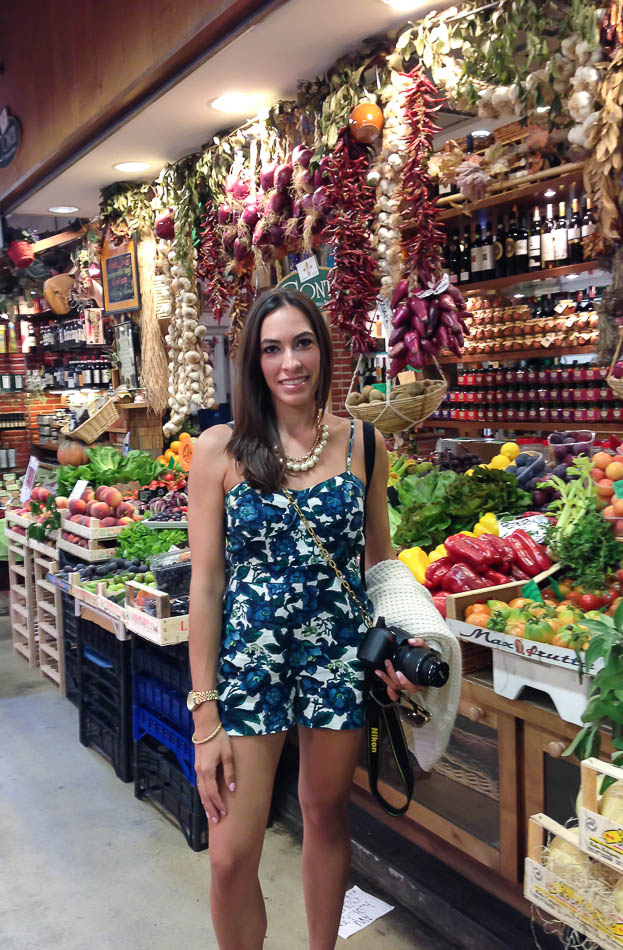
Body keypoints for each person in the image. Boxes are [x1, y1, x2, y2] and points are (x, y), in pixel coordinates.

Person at [187, 288, 426, 950]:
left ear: (323, 350)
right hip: (248, 667)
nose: (288, 362)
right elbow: (205, 586)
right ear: (252, 362)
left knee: (324, 814)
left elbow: (381, 567)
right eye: (271, 348)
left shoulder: (364, 444)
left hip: (335, 662)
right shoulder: (219, 450)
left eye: (301, 343)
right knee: (231, 852)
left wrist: (405, 641)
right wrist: (204, 710)